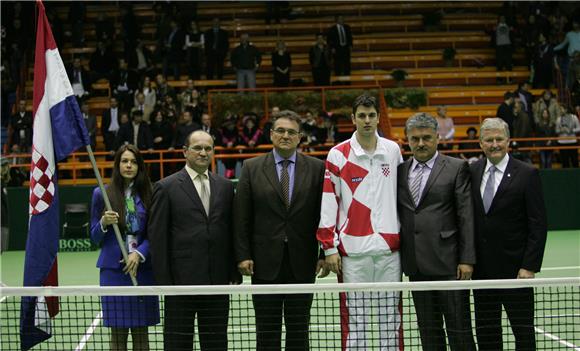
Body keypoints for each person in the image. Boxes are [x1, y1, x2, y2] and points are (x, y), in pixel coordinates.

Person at [234, 110, 328, 350]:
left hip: (303, 261)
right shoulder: (252, 167)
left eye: (292, 132)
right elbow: (242, 216)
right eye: (281, 131)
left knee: (299, 329)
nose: (286, 136)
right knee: (267, 329)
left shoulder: (318, 168)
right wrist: (243, 255)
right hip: (264, 263)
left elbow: (324, 214)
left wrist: (323, 254)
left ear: (299, 138)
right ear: (272, 134)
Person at [317, 94, 403, 350]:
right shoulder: (338, 154)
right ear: (353, 119)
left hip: (389, 250)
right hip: (353, 252)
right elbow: (328, 201)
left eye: (372, 115)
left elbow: (400, 196)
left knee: (392, 320)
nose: (367, 120)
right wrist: (329, 247)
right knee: (356, 322)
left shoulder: (392, 150)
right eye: (362, 116)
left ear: (378, 117)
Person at [149, 130, 239, 350]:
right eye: (197, 148)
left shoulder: (226, 187)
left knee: (216, 343)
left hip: (217, 282)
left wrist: (233, 271)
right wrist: (164, 282)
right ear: (185, 152)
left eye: (208, 148)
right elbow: (157, 237)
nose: (203, 152)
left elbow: (231, 231)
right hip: (180, 284)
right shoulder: (165, 187)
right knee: (178, 343)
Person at [397, 113, 476, 350]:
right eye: (415, 139)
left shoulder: (456, 167)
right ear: (407, 140)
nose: (420, 143)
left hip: (449, 264)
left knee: (459, 329)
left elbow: (465, 215)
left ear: (437, 138)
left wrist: (466, 259)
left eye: (426, 138)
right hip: (416, 266)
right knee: (428, 331)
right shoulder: (400, 171)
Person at [470, 118, 547, 350]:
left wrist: (529, 266)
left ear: (508, 141)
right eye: (489, 140)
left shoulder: (527, 173)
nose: (494, 144)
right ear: (481, 143)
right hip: (482, 273)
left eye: (499, 139)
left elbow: (538, 224)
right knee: (487, 333)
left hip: (517, 271)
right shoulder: (471, 172)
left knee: (523, 333)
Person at [90, 144, 160, 351]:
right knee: (117, 336)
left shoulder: (152, 193)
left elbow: (155, 233)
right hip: (114, 273)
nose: (129, 165)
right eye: (124, 161)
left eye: (133, 162)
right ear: (117, 164)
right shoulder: (101, 194)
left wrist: (139, 253)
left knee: (141, 335)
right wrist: (103, 223)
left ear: (140, 166)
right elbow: (94, 238)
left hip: (142, 272)